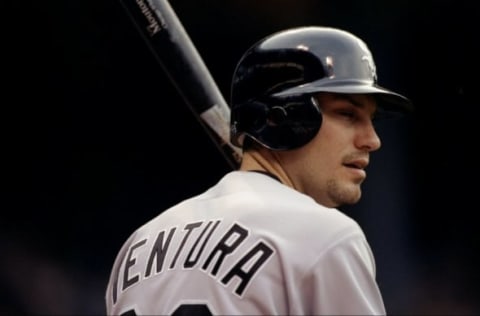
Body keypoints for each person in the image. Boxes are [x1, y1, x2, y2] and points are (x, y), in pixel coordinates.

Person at [105, 26, 413, 315]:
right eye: (347, 114)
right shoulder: (327, 236)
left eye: (371, 120)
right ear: (283, 119)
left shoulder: (139, 245)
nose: (372, 140)